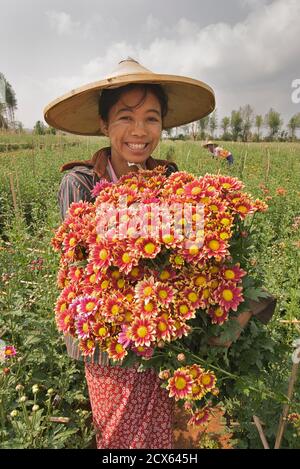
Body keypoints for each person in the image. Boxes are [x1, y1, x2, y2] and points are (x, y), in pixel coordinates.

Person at [44, 58, 216, 449]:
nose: (139, 131)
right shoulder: (81, 184)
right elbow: (86, 270)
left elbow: (195, 253)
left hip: (169, 339)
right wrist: (164, 230)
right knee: (122, 442)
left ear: (162, 125)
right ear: (104, 124)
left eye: (151, 119)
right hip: (111, 346)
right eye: (125, 117)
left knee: (167, 439)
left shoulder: (172, 179)